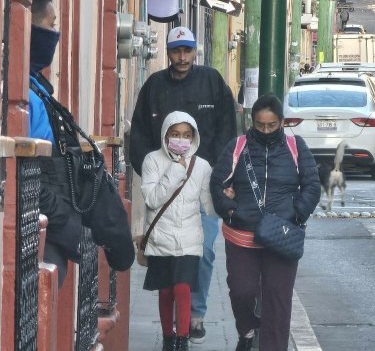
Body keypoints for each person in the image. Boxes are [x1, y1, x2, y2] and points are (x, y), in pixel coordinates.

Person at [130, 25, 237, 344]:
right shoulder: (153, 86)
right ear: (167, 52)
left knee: (202, 252)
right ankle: (170, 330)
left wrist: (217, 176)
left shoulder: (212, 82)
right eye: (176, 51)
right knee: (166, 262)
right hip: (164, 193)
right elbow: (139, 137)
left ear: (195, 52)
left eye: (187, 50)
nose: (182, 57)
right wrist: (154, 172)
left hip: (201, 185)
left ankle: (196, 315)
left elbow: (227, 129)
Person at [210, 94, 320, 351]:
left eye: (272, 125)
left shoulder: (296, 146)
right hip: (241, 236)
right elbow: (217, 184)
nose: (267, 130)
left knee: (278, 301)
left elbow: (312, 185)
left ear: (281, 122)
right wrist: (230, 211)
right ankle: (247, 330)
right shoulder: (238, 146)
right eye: (261, 125)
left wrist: (296, 214)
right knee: (241, 291)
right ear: (252, 121)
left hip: (281, 237)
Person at [141, 111, 214, 351]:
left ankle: (182, 340)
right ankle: (167, 338)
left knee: (182, 288)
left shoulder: (202, 166)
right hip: (161, 238)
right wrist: (175, 171)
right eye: (175, 134)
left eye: (186, 135)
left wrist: (227, 196)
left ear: (193, 137)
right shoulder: (152, 160)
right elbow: (152, 199)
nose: (180, 140)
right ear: (166, 135)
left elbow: (208, 204)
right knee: (165, 291)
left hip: (189, 239)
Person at [29, 0, 82, 287]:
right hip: (44, 221)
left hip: (53, 222)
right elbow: (29, 173)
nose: (55, 34)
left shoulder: (38, 88)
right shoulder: (27, 95)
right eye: (51, 25)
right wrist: (66, 220)